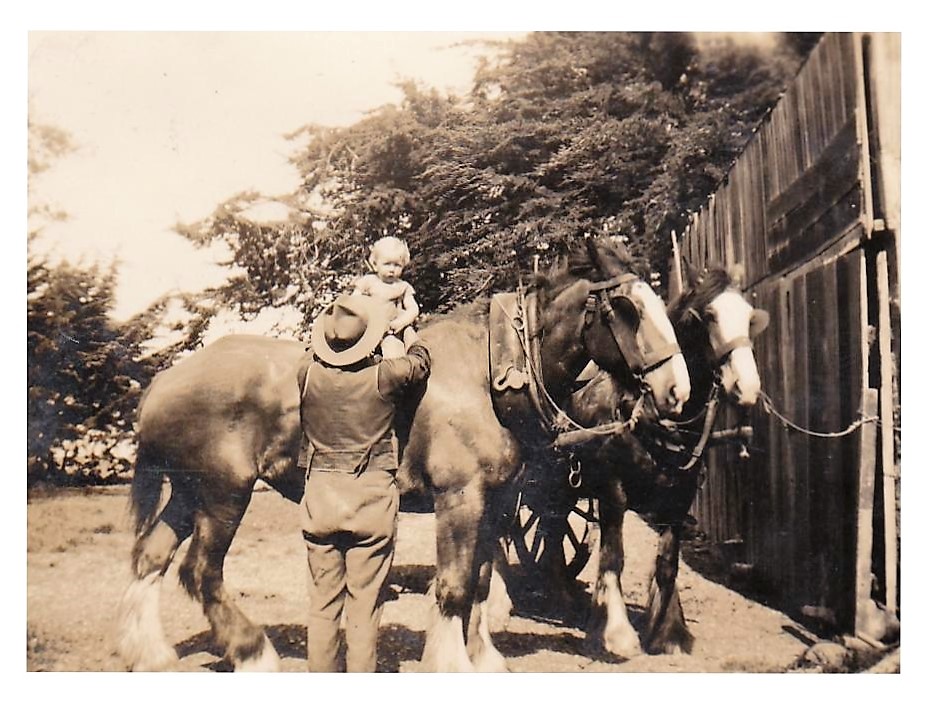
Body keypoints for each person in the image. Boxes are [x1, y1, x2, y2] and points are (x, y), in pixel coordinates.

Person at [296, 293, 431, 672]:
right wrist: (406, 329)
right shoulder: (386, 376)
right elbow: (421, 362)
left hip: (320, 498)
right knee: (364, 608)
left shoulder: (306, 372)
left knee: (322, 607)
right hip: (370, 500)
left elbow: (312, 351)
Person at [353, 236, 420, 358]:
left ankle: (392, 372)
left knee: (394, 352)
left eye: (397, 265)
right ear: (375, 264)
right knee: (356, 352)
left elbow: (413, 309)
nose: (391, 269)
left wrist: (401, 321)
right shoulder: (368, 282)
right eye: (387, 264)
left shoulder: (402, 287)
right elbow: (353, 302)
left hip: (389, 331)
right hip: (366, 330)